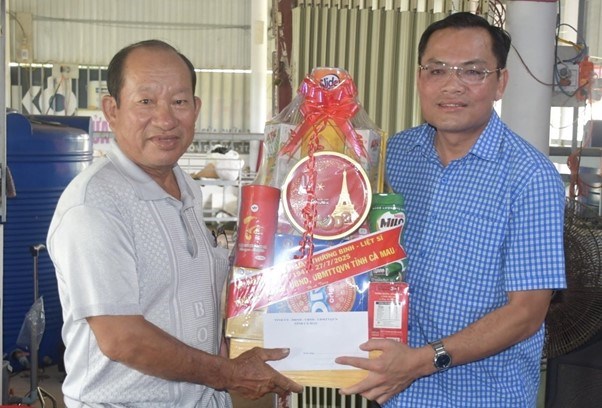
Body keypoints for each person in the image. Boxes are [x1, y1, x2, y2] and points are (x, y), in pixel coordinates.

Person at [47, 39, 302, 407]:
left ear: (196, 109)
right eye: (145, 101)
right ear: (112, 110)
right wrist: (229, 373)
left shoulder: (186, 189)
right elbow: (122, 339)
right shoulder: (95, 205)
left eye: (179, 102)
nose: (165, 120)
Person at [335, 12, 566, 407]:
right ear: (419, 78)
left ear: (500, 83)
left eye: (473, 71)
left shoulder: (530, 177)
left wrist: (420, 362)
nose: (452, 85)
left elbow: (526, 313)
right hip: (395, 391)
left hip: (484, 396)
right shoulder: (395, 155)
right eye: (437, 70)